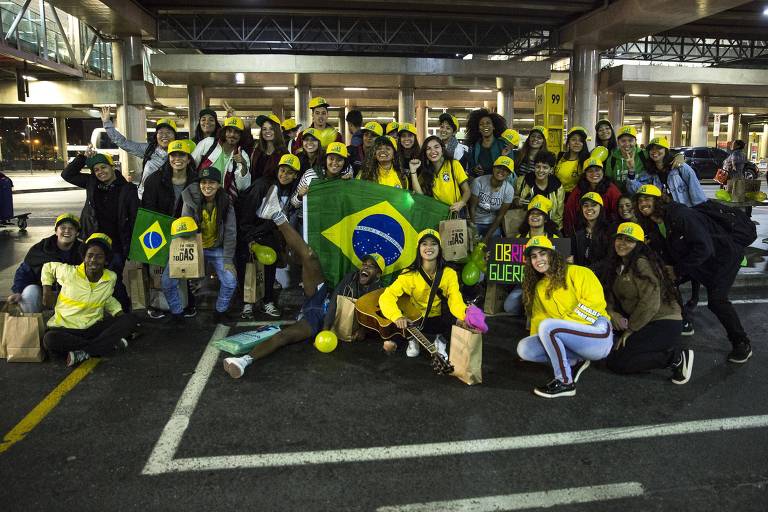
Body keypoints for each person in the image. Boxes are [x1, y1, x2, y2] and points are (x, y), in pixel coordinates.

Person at [223, 193, 385, 378]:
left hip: (314, 319)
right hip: (322, 299)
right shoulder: (352, 276)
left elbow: (374, 321)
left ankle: (243, 361)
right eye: (364, 263)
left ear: (378, 274)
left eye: (371, 267)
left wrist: (361, 331)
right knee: (309, 255)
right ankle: (276, 215)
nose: (365, 267)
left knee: (286, 336)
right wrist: (326, 329)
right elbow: (335, 301)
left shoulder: (379, 293)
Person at [634, 184, 753, 364]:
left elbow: (704, 248)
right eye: (640, 200)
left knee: (717, 301)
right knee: (666, 281)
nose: (643, 203)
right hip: (697, 262)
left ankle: (741, 342)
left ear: (658, 200)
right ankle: (684, 320)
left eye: (647, 199)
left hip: (723, 259)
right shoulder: (654, 222)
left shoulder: (680, 216)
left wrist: (678, 270)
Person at [516, 236, 612, 398]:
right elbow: (539, 318)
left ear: (552, 255)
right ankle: (575, 360)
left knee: (549, 327)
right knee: (524, 349)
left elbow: (594, 306)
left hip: (598, 334)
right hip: (568, 338)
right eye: (533, 256)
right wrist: (542, 338)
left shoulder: (580, 272)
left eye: (542, 254)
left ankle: (565, 382)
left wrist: (560, 325)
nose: (538, 259)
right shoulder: (540, 287)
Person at [601, 222, 693, 384]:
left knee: (618, 362)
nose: (622, 243)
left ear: (638, 245)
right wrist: (611, 311)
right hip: (644, 322)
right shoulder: (616, 265)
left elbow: (650, 302)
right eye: (620, 238)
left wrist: (630, 330)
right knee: (612, 357)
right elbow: (609, 293)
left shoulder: (641, 263)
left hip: (663, 322)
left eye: (629, 240)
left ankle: (675, 358)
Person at [41, 233, 138, 367]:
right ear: (84, 258)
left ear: (106, 261)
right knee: (49, 339)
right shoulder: (70, 273)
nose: (93, 260)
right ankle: (104, 346)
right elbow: (48, 267)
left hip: (93, 327)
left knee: (131, 320)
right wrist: (47, 291)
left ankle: (85, 352)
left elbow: (107, 298)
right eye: (90, 255)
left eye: (99, 257)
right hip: (66, 328)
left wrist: (118, 313)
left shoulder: (111, 277)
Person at [379, 229, 477, 358]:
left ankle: (441, 341)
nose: (429, 247)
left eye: (433, 244)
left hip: (440, 317)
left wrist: (465, 314)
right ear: (419, 248)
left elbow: (455, 300)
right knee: (389, 341)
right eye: (424, 244)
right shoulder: (408, 274)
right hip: (416, 319)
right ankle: (412, 339)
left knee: (461, 322)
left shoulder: (449, 273)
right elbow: (387, 296)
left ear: (439, 248)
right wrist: (397, 316)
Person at [62, 149, 138, 312]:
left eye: (103, 167)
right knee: (91, 279)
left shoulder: (127, 189)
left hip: (116, 245)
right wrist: (82, 157)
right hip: (92, 243)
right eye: (96, 169)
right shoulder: (91, 182)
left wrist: (132, 247)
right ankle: (96, 313)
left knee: (112, 280)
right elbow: (67, 175)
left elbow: (134, 219)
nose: (100, 172)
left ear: (112, 166)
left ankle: (125, 315)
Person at [165, 168, 237, 323]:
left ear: (218, 185)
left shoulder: (226, 201)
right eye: (203, 182)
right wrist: (185, 258)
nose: (207, 186)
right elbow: (185, 229)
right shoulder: (190, 199)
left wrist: (228, 259)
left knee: (230, 281)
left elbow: (231, 232)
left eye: (211, 182)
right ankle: (177, 313)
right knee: (167, 281)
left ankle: (220, 311)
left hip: (216, 247)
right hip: (193, 246)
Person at [238, 156, 303, 320]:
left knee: (269, 269)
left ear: (295, 176)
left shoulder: (291, 190)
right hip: (251, 231)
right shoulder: (262, 186)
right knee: (248, 269)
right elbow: (246, 214)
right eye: (282, 170)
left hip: (269, 232)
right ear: (277, 170)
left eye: (290, 173)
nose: (285, 175)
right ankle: (247, 304)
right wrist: (248, 237)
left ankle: (268, 301)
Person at [8, 214, 83, 313]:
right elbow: (24, 272)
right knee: (30, 291)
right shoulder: (40, 249)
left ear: (77, 233)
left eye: (71, 228)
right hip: (43, 293)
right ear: (56, 231)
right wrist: (18, 292)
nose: (67, 231)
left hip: (72, 295)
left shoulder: (84, 252)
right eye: (63, 228)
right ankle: (34, 323)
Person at [100, 107, 176, 198]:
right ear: (156, 135)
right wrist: (107, 123)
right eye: (160, 132)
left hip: (168, 200)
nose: (164, 136)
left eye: (168, 132)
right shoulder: (148, 149)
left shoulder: (180, 154)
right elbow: (123, 143)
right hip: (145, 198)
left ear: (175, 136)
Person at [192, 116, 251, 203]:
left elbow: (242, 187)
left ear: (241, 135)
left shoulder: (242, 155)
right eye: (229, 131)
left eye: (236, 132)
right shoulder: (208, 143)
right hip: (199, 194)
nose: (232, 135)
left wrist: (244, 165)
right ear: (223, 132)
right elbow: (192, 166)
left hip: (223, 200)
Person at [638, 137, 706, 207]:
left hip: (684, 213)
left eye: (659, 148)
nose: (654, 151)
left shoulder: (681, 167)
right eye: (652, 149)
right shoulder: (649, 173)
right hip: (664, 213)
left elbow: (696, 191)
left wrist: (699, 210)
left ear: (666, 150)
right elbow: (639, 189)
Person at [563, 157, 621, 235]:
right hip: (583, 231)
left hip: (606, 231)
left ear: (603, 172)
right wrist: (569, 234)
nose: (594, 174)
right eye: (590, 171)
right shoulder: (578, 190)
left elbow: (617, 213)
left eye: (597, 170)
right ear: (585, 174)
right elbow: (569, 212)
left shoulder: (611, 189)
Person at [413, 136, 470, 214]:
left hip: (454, 212)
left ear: (442, 149)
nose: (433, 151)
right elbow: (420, 195)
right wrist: (413, 171)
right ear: (425, 153)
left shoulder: (453, 164)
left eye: (436, 147)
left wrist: (461, 203)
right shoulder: (425, 171)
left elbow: (467, 191)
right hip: (435, 214)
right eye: (428, 148)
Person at [141, 139, 198, 218]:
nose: (177, 158)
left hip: (187, 227)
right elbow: (148, 210)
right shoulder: (153, 180)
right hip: (158, 226)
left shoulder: (196, 181)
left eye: (181, 155)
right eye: (173, 155)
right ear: (169, 159)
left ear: (188, 159)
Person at [292, 142, 352, 212]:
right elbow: (294, 203)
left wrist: (351, 185)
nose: (335, 163)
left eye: (339, 160)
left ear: (344, 162)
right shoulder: (310, 175)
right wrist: (300, 196)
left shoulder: (347, 176)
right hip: (310, 220)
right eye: (331, 159)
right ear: (325, 159)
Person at [513, 151, 564, 230]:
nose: (540, 170)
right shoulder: (522, 181)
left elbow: (558, 214)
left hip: (548, 227)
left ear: (551, 170)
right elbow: (511, 198)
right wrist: (516, 200)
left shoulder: (557, 187)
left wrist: (555, 231)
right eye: (538, 166)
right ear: (534, 167)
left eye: (545, 167)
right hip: (524, 226)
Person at [468, 156, 515, 243]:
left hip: (492, 223)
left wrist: (487, 238)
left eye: (505, 170)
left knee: (494, 243)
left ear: (509, 174)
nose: (501, 171)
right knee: (471, 241)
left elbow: (500, 216)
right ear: (493, 168)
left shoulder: (509, 190)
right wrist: (473, 229)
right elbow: (472, 207)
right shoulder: (478, 182)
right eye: (499, 167)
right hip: (475, 220)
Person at [570, 192, 612, 269]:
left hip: (602, 277)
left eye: (594, 205)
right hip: (580, 275)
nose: (589, 208)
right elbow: (570, 255)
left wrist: (589, 270)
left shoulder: (609, 230)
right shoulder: (576, 230)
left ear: (601, 208)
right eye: (586, 205)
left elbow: (609, 259)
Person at [466, 108, 508, 179]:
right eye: (481, 124)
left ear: (494, 127)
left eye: (488, 123)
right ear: (478, 129)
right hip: (480, 185)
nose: (485, 125)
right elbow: (470, 169)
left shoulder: (503, 145)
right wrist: (475, 170)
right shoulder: (473, 147)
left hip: (500, 184)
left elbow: (509, 167)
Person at [249, 113, 288, 180]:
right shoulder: (257, 151)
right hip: (256, 189)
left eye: (271, 128)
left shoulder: (284, 154)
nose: (267, 131)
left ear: (277, 131)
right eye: (264, 129)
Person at [554, 126, 590, 193]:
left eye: (580, 140)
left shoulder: (586, 161)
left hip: (574, 198)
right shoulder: (560, 156)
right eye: (573, 139)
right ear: (568, 142)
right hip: (557, 195)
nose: (577, 143)